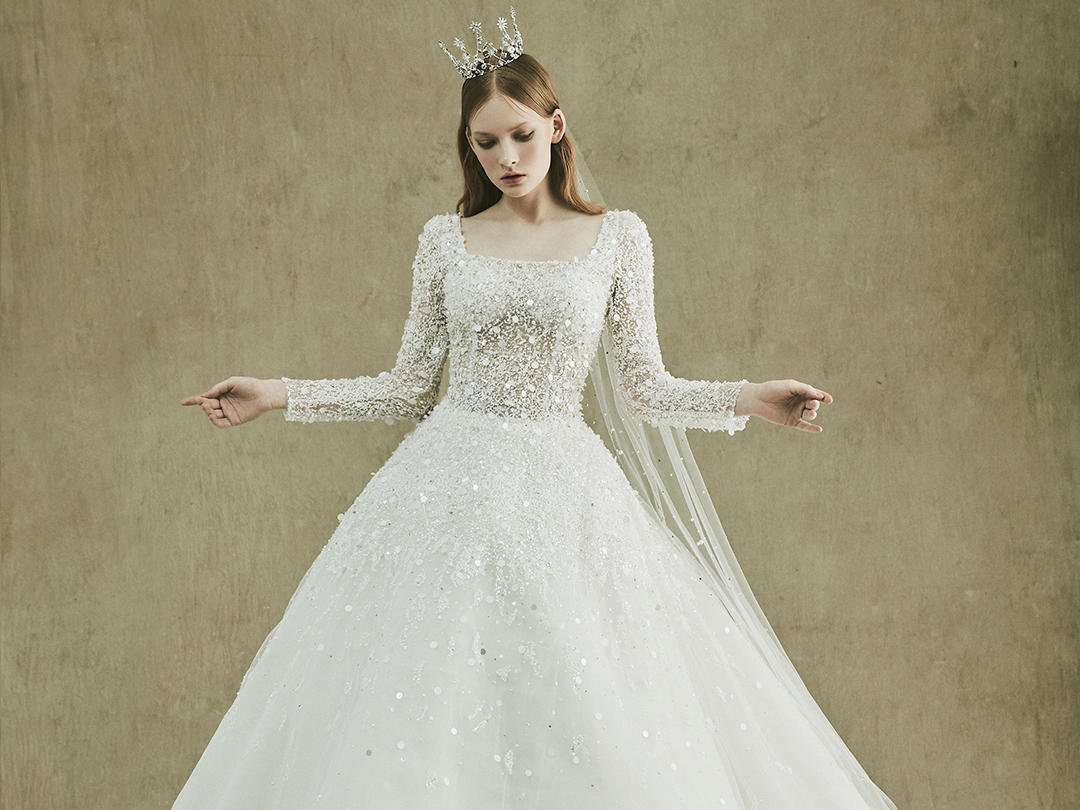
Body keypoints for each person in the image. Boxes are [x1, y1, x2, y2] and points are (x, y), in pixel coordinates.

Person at [176, 7, 897, 808]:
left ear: (555, 127)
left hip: (564, 489)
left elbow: (645, 386)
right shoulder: (445, 240)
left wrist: (752, 399)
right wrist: (276, 393)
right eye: (485, 143)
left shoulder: (618, 238)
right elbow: (408, 386)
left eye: (520, 135)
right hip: (444, 492)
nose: (506, 158)